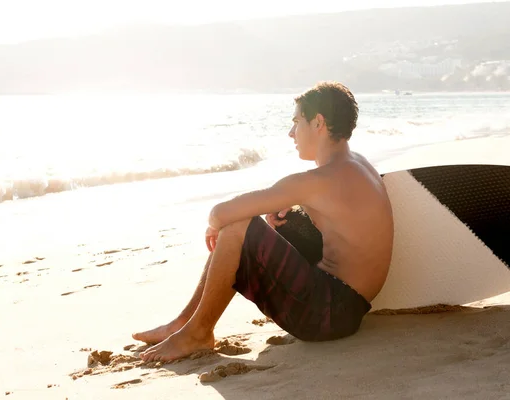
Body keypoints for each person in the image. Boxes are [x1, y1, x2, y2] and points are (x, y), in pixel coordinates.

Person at [133, 81, 394, 362]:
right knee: (276, 222)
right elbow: (340, 225)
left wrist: (215, 225)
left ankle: (198, 333)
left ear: (318, 122)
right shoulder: (359, 165)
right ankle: (183, 322)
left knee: (236, 227)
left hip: (326, 315)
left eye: (296, 122)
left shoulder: (318, 180)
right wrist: (293, 213)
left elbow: (221, 213)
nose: (291, 132)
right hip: (348, 311)